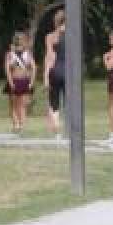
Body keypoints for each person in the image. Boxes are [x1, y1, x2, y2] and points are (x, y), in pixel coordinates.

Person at [2, 31, 36, 133]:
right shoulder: (24, 54)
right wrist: (31, 82)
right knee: (20, 105)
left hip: (17, 80)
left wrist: (11, 82)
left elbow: (7, 69)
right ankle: (20, 125)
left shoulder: (11, 54)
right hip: (23, 80)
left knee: (16, 105)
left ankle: (18, 125)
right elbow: (34, 68)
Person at [42, 9, 66, 138]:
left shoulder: (50, 36)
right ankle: (72, 130)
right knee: (70, 101)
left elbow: (50, 56)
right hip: (69, 70)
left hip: (55, 70)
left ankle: (57, 129)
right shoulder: (73, 35)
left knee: (54, 101)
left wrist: (46, 76)